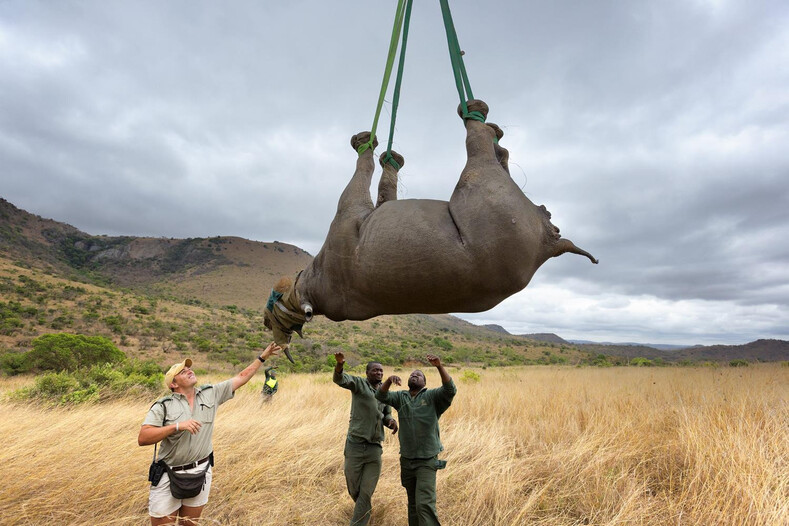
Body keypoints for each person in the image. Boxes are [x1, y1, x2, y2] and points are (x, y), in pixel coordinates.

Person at [138, 342, 281, 525]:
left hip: (201, 470)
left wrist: (263, 357)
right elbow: (143, 437)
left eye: (189, 368)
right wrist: (177, 426)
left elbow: (241, 377)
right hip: (169, 473)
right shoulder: (163, 406)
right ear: (173, 384)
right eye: (183, 372)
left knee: (190, 523)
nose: (189, 371)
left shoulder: (210, 393)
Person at [375, 354, 456, 526]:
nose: (414, 375)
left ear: (424, 383)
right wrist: (388, 380)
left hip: (426, 460)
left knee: (424, 504)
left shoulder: (432, 397)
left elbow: (450, 390)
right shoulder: (401, 397)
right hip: (407, 460)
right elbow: (381, 397)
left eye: (419, 375)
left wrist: (439, 366)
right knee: (412, 504)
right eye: (412, 374)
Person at [333, 351, 399, 526]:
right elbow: (340, 379)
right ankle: (364, 510)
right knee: (354, 489)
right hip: (355, 445)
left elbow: (386, 414)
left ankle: (358, 521)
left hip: (374, 449)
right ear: (367, 373)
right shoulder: (359, 384)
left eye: (381, 371)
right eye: (375, 370)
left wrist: (390, 421)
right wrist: (340, 364)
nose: (379, 373)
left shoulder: (384, 393)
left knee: (366, 493)